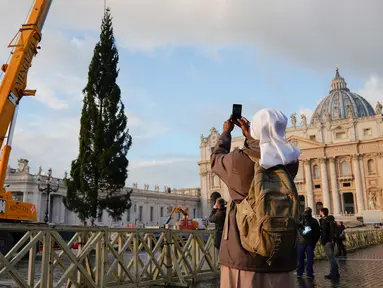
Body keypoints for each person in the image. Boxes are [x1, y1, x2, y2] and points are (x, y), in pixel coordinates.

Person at [211, 108, 301, 287]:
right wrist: (253, 138)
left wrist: (226, 133)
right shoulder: (291, 161)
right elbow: (266, 152)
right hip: (282, 257)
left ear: (255, 129)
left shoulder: (239, 160)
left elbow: (216, 159)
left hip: (244, 257)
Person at [297, 207, 320, 280]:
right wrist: (314, 241)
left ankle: (299, 273)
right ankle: (309, 274)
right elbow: (317, 233)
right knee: (310, 259)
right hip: (310, 242)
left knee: (300, 258)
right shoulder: (314, 221)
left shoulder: (300, 220)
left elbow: (299, 231)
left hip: (301, 242)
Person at [319, 207, 340, 280]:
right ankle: (336, 273)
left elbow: (324, 231)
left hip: (327, 241)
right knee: (332, 258)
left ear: (322, 212)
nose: (319, 212)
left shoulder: (325, 221)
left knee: (331, 258)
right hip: (332, 241)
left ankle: (333, 273)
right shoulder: (331, 220)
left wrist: (323, 241)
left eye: (320, 211)